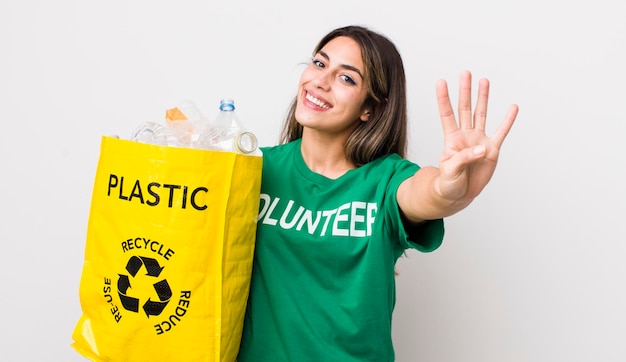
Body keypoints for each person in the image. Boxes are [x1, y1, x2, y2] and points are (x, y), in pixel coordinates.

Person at [237, 25, 518, 361]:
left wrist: (448, 188)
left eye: (347, 79)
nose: (320, 82)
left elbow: (422, 193)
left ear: (369, 108)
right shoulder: (253, 168)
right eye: (320, 63)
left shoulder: (385, 181)